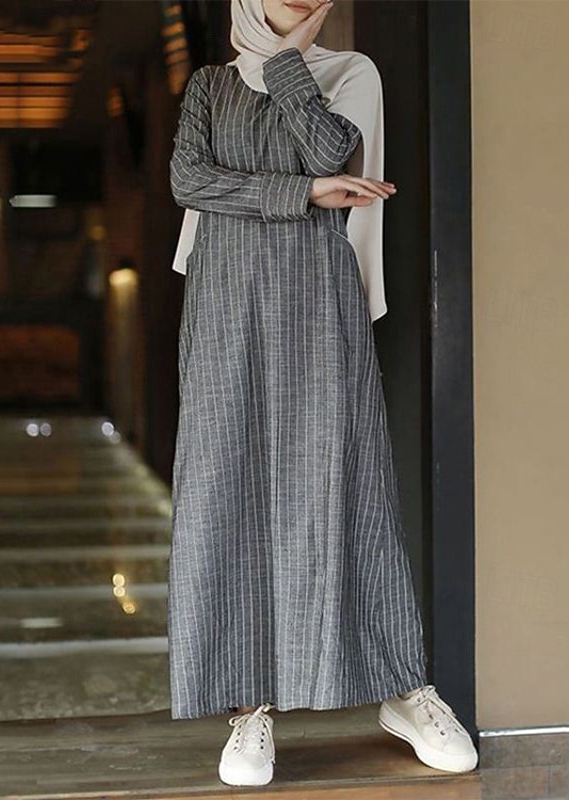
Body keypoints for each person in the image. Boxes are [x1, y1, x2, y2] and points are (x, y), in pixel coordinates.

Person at [167, 0, 478, 786]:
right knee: (228, 489)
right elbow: (188, 180)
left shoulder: (351, 75)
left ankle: (402, 687)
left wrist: (286, 66)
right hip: (224, 303)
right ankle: (250, 707)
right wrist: (303, 194)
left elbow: (334, 148)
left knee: (348, 483)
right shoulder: (208, 86)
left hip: (315, 297)